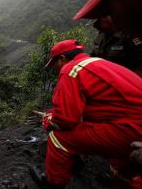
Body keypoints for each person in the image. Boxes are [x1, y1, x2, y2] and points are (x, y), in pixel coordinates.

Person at [29, 39, 142, 188]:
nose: (55, 69)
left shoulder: (71, 69)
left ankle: (53, 183)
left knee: (58, 138)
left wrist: (48, 120)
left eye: (54, 63)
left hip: (131, 128)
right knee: (121, 164)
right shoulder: (100, 63)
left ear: (62, 58)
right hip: (131, 124)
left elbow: (64, 119)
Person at [74, 0, 142, 77]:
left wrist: (131, 84)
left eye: (110, 10)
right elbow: (95, 56)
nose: (95, 27)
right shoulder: (101, 37)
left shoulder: (129, 35)